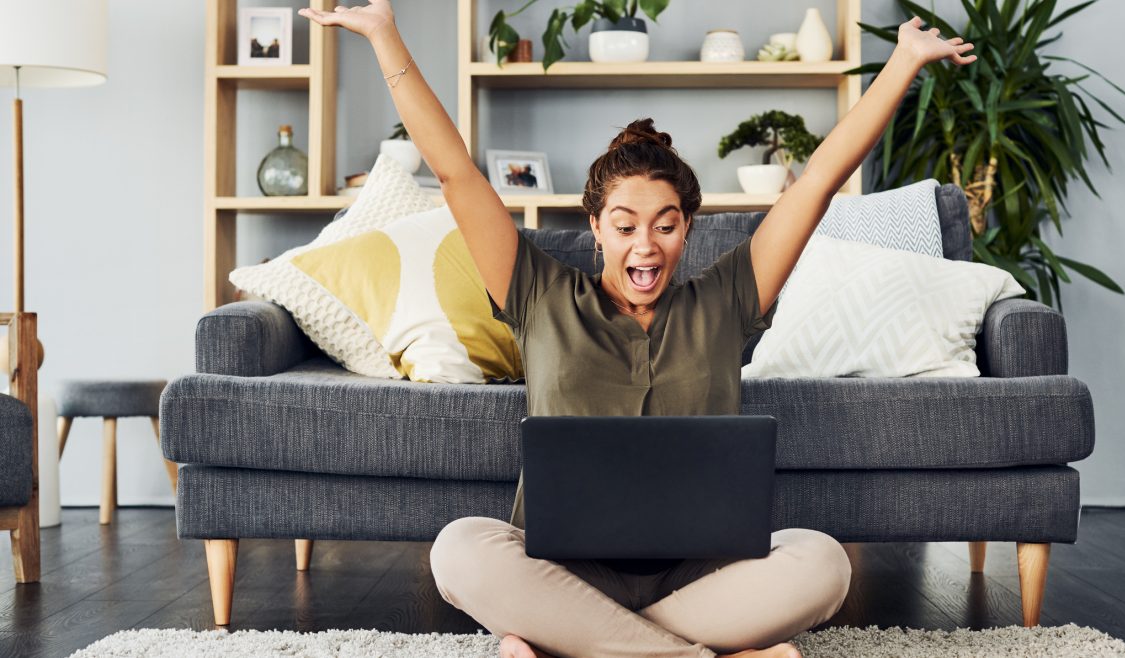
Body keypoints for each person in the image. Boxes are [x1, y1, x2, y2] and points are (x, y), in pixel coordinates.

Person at [299, 4, 977, 658]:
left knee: (823, 563)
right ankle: (683, 652)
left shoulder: (728, 298)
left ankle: (577, 642)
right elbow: (455, 172)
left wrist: (904, 62)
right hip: (566, 570)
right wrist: (384, 36)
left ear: (687, 228)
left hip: (700, 578)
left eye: (665, 224)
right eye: (624, 226)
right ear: (594, 229)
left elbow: (819, 181)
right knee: (459, 551)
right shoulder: (538, 292)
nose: (644, 247)